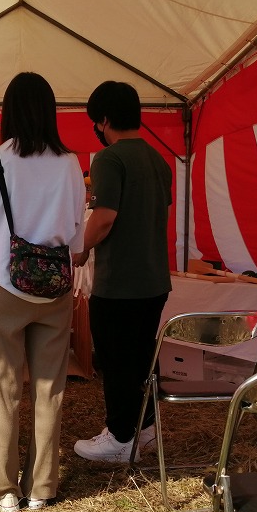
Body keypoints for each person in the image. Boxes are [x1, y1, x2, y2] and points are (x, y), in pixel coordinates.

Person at [0, 72, 86, 512]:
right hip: (55, 286)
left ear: (8, 112)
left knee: (1, 384)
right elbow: (75, 233)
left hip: (2, 283)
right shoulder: (71, 163)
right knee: (49, 387)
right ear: (51, 112)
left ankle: (2, 489)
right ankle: (41, 488)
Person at [72, 81, 172, 463]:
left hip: (119, 283)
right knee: (144, 357)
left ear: (104, 119)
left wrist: (81, 251)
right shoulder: (158, 160)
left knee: (115, 361)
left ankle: (119, 437)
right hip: (154, 279)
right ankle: (145, 430)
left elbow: (104, 217)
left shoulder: (109, 160)